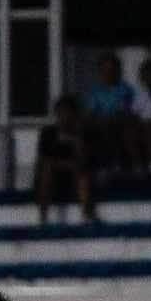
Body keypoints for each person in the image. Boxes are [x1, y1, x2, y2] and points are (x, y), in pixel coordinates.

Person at [34, 95, 97, 224]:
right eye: (61, 113)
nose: (65, 117)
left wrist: (77, 141)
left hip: (75, 178)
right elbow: (44, 160)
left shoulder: (83, 133)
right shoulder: (48, 133)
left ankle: (86, 215)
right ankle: (43, 217)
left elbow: (85, 161)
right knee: (47, 171)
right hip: (54, 177)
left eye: (68, 113)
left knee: (83, 176)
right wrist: (67, 164)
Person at [82, 51, 145, 178]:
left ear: (117, 71)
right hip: (100, 124)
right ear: (100, 71)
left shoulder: (126, 89)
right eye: (105, 70)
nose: (108, 74)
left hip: (121, 123)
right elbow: (90, 113)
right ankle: (99, 167)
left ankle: (133, 166)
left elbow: (128, 110)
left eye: (111, 70)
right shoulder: (95, 91)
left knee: (118, 127)